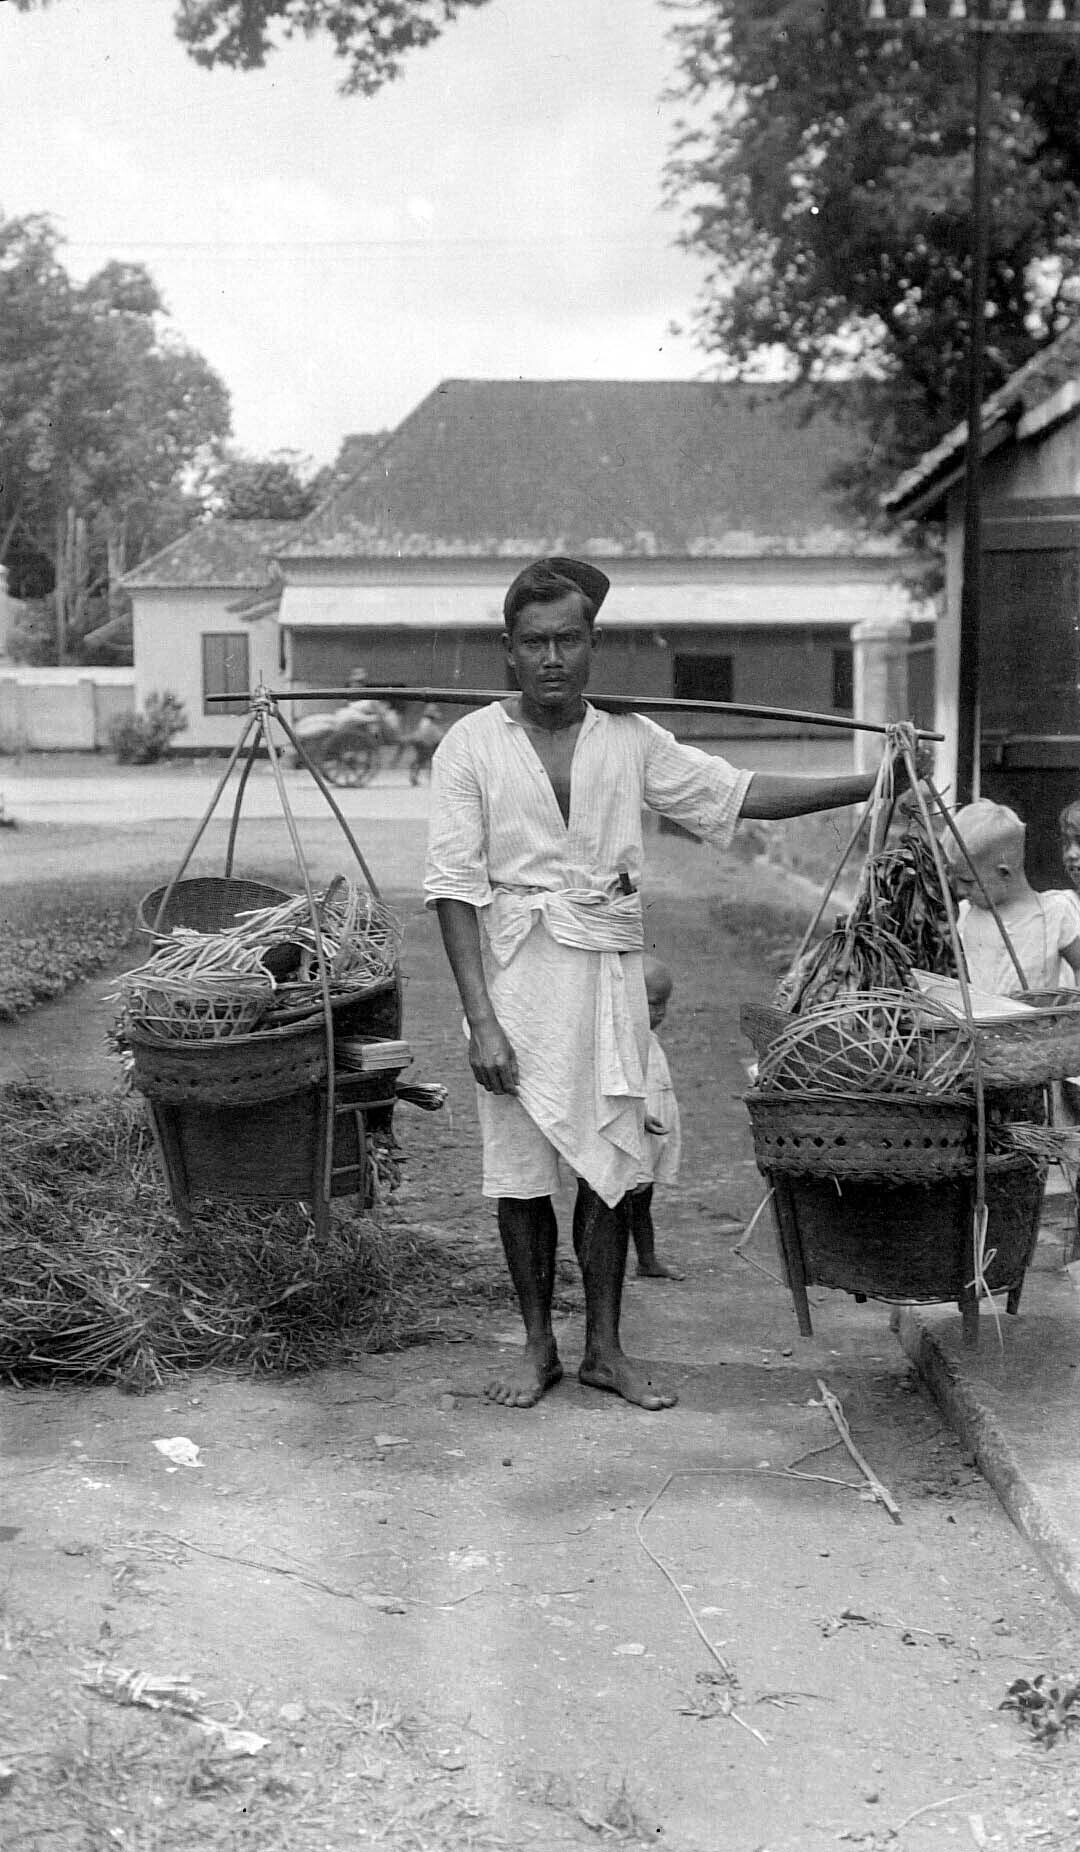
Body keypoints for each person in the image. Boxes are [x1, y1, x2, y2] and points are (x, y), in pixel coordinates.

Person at [424, 556, 915, 1412]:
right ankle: (537, 1345)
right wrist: (482, 1022)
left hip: (606, 974)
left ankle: (605, 1349)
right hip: (512, 977)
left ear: (593, 644)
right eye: (534, 642)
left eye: (568, 640)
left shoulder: (630, 739)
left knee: (611, 1161)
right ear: (509, 650)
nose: (552, 658)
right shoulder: (471, 744)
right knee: (520, 1170)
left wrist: (875, 783)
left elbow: (739, 794)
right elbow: (453, 891)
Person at [944, 799, 1080, 994]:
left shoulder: (1054, 913)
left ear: (1004, 873)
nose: (959, 891)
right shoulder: (963, 915)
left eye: (967, 881)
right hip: (974, 1013)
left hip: (1032, 1014)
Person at [627, 956, 684, 1281]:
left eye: (664, 1004)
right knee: (625, 1197)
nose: (660, 1013)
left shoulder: (650, 1040)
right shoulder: (624, 1042)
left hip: (653, 1134)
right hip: (634, 1132)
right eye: (653, 1004)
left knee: (643, 1198)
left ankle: (647, 1259)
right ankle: (611, 1261)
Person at [408, 704, 445, 785]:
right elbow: (427, 734)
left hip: (424, 742)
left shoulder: (427, 722)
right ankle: (416, 777)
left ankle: (417, 777)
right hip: (423, 743)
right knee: (422, 760)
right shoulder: (426, 722)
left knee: (422, 760)